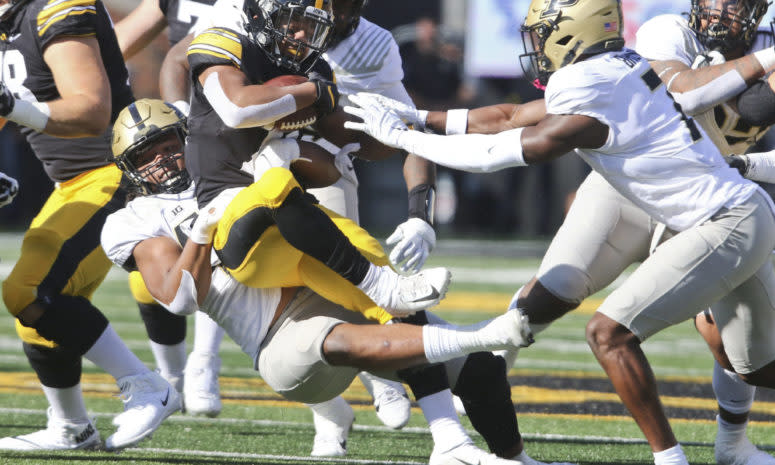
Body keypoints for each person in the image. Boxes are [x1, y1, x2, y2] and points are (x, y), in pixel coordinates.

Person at [342, 0, 775, 463]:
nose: (536, 44)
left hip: (720, 213)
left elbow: (505, 151)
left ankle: (687, 455)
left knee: (731, 360)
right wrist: (420, 119)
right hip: (664, 192)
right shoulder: (625, 57)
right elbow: (511, 117)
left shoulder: (594, 76)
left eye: (544, 32)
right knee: (559, 302)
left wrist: (406, 138)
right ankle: (487, 387)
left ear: (572, 34)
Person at [101, 98, 570, 465]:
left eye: (167, 145)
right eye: (146, 155)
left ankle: (509, 455)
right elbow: (181, 298)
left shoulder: (225, 162)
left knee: (481, 370)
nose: (161, 160)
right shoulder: (136, 219)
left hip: (321, 284)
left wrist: (280, 147)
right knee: (350, 336)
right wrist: (202, 232)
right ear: (130, 170)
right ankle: (476, 334)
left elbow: (325, 172)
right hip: (278, 336)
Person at [0, 0, 180, 451]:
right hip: (70, 184)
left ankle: (146, 383)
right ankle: (71, 427)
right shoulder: (11, 22)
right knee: (35, 313)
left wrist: (11, 105)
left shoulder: (52, 9)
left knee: (31, 289)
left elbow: (92, 111)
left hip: (111, 172)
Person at [634, 2, 775, 463]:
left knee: (739, 341)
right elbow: (688, 96)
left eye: (734, 0)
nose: (721, 8)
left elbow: (753, 112)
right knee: (566, 283)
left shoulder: (764, 37)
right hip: (668, 184)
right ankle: (478, 375)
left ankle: (731, 443)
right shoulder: (670, 32)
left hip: (740, 186)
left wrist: (743, 164)